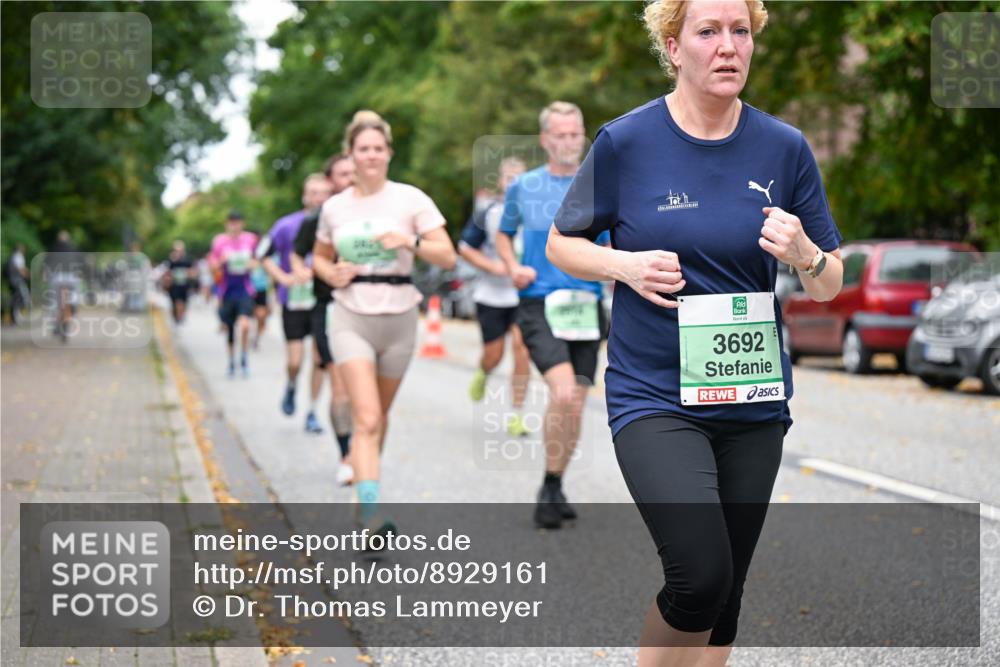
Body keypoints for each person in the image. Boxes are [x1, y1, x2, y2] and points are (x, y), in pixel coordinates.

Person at [546, 2, 845, 664]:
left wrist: (805, 254)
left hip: (753, 397)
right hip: (655, 395)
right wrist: (621, 263)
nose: (728, 46)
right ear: (674, 48)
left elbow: (831, 279)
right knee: (699, 574)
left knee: (728, 591)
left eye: (740, 31)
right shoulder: (627, 142)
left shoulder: (785, 147)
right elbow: (560, 244)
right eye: (709, 32)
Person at [312, 111, 456, 534]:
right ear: (350, 155)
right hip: (351, 316)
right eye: (363, 149)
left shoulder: (410, 199)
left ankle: (364, 496)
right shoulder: (334, 208)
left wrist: (408, 241)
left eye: (378, 148)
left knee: (379, 417)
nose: (371, 155)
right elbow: (319, 257)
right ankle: (372, 515)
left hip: (399, 318)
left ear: (388, 153)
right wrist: (329, 272)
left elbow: (447, 255)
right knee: (368, 417)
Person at [495, 101, 610, 530]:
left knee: (576, 402)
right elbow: (503, 236)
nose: (568, 142)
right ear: (545, 139)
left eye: (575, 134)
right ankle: (548, 486)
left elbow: (612, 243)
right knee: (562, 392)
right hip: (540, 303)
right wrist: (511, 267)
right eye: (559, 135)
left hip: (585, 305)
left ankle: (555, 481)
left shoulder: (597, 187)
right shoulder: (523, 186)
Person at [292, 153, 357, 484]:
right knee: (342, 385)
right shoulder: (318, 219)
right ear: (331, 181)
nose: (350, 177)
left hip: (374, 309)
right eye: (343, 173)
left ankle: (365, 444)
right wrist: (314, 270)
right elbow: (298, 251)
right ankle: (347, 455)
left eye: (353, 172)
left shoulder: (376, 211)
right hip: (330, 307)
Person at [459, 156, 532, 437]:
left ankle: (517, 415)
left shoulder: (535, 214)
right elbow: (465, 248)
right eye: (509, 178)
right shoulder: (487, 213)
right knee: (494, 354)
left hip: (524, 296)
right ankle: (483, 371)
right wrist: (494, 267)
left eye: (520, 178)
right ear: (501, 182)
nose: (514, 183)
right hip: (490, 294)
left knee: (522, 350)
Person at [259, 173, 335, 432]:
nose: (320, 198)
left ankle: (312, 411)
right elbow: (263, 254)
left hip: (322, 301)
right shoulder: (285, 225)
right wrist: (284, 278)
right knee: (295, 360)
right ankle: (291, 385)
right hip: (293, 301)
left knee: (319, 359)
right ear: (305, 195)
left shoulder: (336, 224)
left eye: (325, 192)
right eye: (314, 192)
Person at [208, 211, 259, 377]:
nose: (234, 225)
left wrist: (252, 264)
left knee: (244, 325)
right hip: (226, 290)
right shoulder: (219, 241)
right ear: (227, 224)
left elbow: (258, 260)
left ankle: (244, 356)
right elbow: (212, 267)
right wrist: (221, 262)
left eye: (237, 222)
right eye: (231, 222)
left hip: (245, 289)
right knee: (229, 329)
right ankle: (231, 361)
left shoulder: (250, 239)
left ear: (242, 223)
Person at [162, 240, 195, 324]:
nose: (179, 252)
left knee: (183, 303)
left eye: (181, 250)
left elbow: (193, 272)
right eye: (177, 250)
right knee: (175, 303)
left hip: (185, 285)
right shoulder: (170, 260)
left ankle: (180, 318)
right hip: (174, 286)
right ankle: (177, 319)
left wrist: (189, 273)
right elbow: (166, 273)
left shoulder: (188, 260)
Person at [5, 243, 29, 324]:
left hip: (11, 280)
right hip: (16, 281)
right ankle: (16, 317)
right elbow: (21, 269)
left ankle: (14, 317)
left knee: (15, 298)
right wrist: (29, 275)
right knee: (22, 297)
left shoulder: (12, 256)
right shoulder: (18, 256)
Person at [250, 255, 271, 348]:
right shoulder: (249, 261)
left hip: (262, 290)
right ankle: (250, 335)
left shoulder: (265, 262)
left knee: (261, 316)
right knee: (250, 315)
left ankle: (256, 337)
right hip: (249, 291)